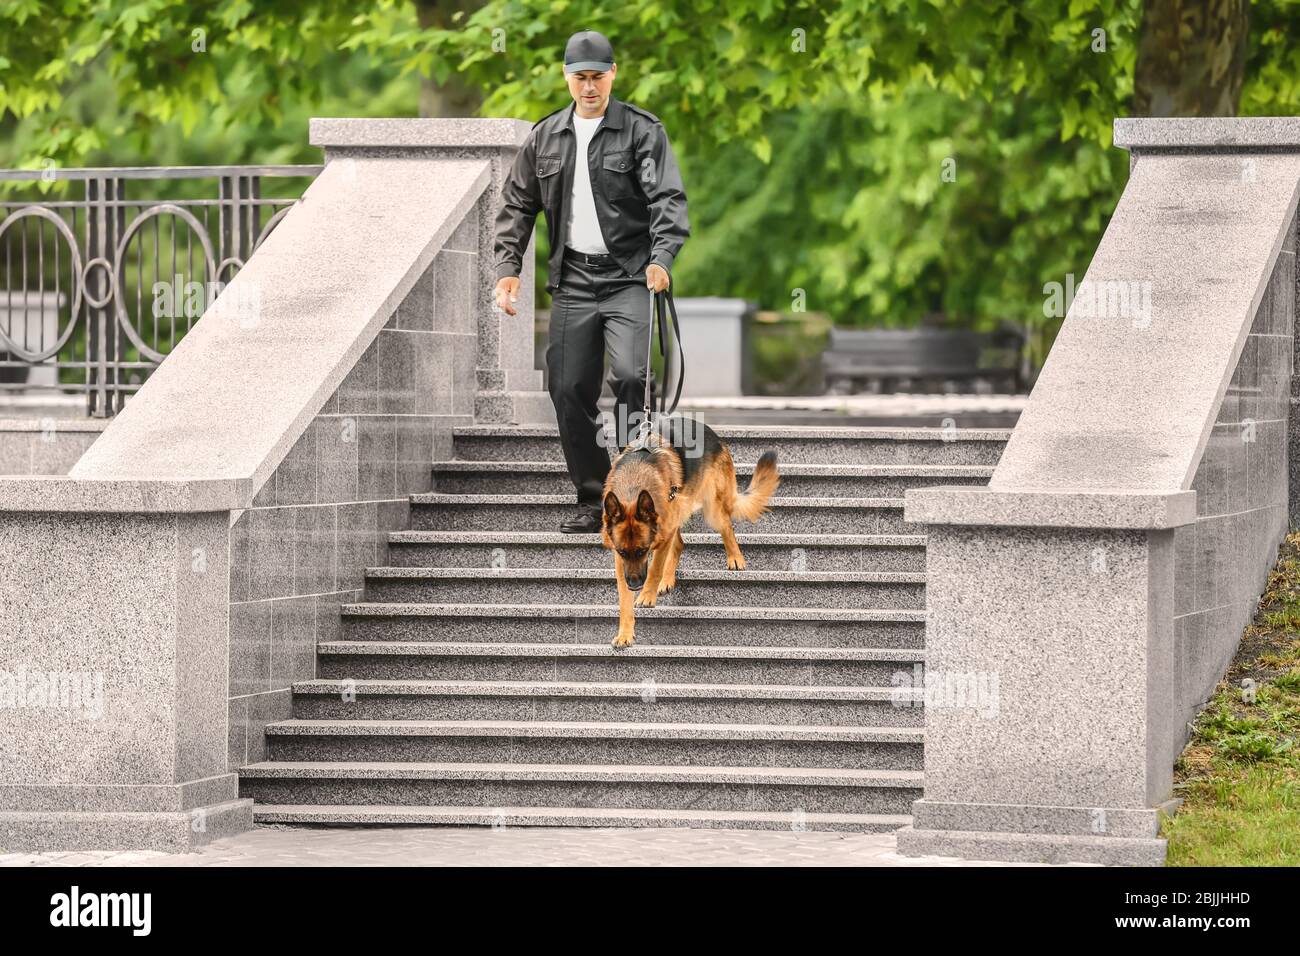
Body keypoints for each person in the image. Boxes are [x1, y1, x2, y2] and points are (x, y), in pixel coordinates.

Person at [492, 29, 690, 533]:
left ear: (613, 74)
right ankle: (593, 496)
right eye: (579, 77)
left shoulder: (641, 131)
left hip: (629, 277)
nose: (589, 87)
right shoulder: (545, 137)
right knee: (566, 386)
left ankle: (635, 492)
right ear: (566, 77)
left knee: (630, 377)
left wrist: (662, 258)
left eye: (597, 77)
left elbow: (667, 199)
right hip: (574, 281)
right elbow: (517, 205)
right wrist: (508, 269)